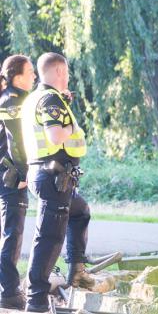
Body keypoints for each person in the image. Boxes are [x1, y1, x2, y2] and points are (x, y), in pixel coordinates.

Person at [22, 53, 93, 312]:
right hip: (54, 177)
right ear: (60, 71)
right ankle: (36, 302)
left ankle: (77, 270)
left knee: (80, 211)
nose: (69, 77)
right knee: (49, 238)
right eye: (68, 73)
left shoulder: (34, 99)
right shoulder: (51, 100)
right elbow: (55, 136)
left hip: (48, 175)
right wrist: (72, 126)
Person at [0, 55, 36, 310]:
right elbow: (16, 141)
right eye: (30, 71)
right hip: (10, 176)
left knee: (12, 233)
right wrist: (23, 174)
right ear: (17, 75)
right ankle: (10, 293)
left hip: (8, 173)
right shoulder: (12, 100)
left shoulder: (16, 99)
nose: (34, 76)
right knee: (12, 234)